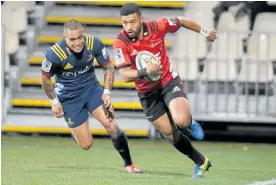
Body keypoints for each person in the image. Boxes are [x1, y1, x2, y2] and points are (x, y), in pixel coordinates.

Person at [113, 3, 217, 178]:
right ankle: (201, 162)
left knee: (181, 121)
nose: (129, 27)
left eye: (132, 22)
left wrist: (205, 32)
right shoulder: (120, 42)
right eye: (125, 23)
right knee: (170, 134)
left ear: (141, 19)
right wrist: (146, 71)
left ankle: (189, 122)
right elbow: (124, 75)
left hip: (168, 81)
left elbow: (181, 21)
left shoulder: (156, 26)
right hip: (147, 93)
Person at [40, 20, 141, 173]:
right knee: (86, 145)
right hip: (69, 98)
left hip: (92, 90)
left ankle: (129, 164)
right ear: (64, 37)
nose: (78, 42)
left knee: (112, 126)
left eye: (80, 37)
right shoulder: (54, 54)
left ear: (84, 33)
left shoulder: (94, 43)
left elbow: (108, 67)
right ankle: (77, 131)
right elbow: (45, 78)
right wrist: (54, 101)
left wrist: (106, 93)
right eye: (72, 39)